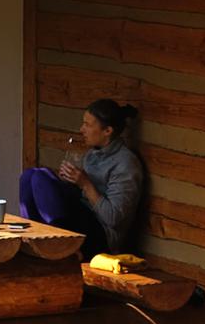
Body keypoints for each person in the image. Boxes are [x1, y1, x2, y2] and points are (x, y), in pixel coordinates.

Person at [19, 99, 150, 258]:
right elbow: (79, 196)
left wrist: (85, 184)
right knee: (32, 175)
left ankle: (60, 247)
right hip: (81, 220)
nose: (82, 129)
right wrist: (69, 181)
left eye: (88, 125)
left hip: (101, 236)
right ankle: (35, 239)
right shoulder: (92, 154)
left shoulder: (126, 164)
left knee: (41, 179)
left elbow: (113, 218)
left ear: (107, 130)